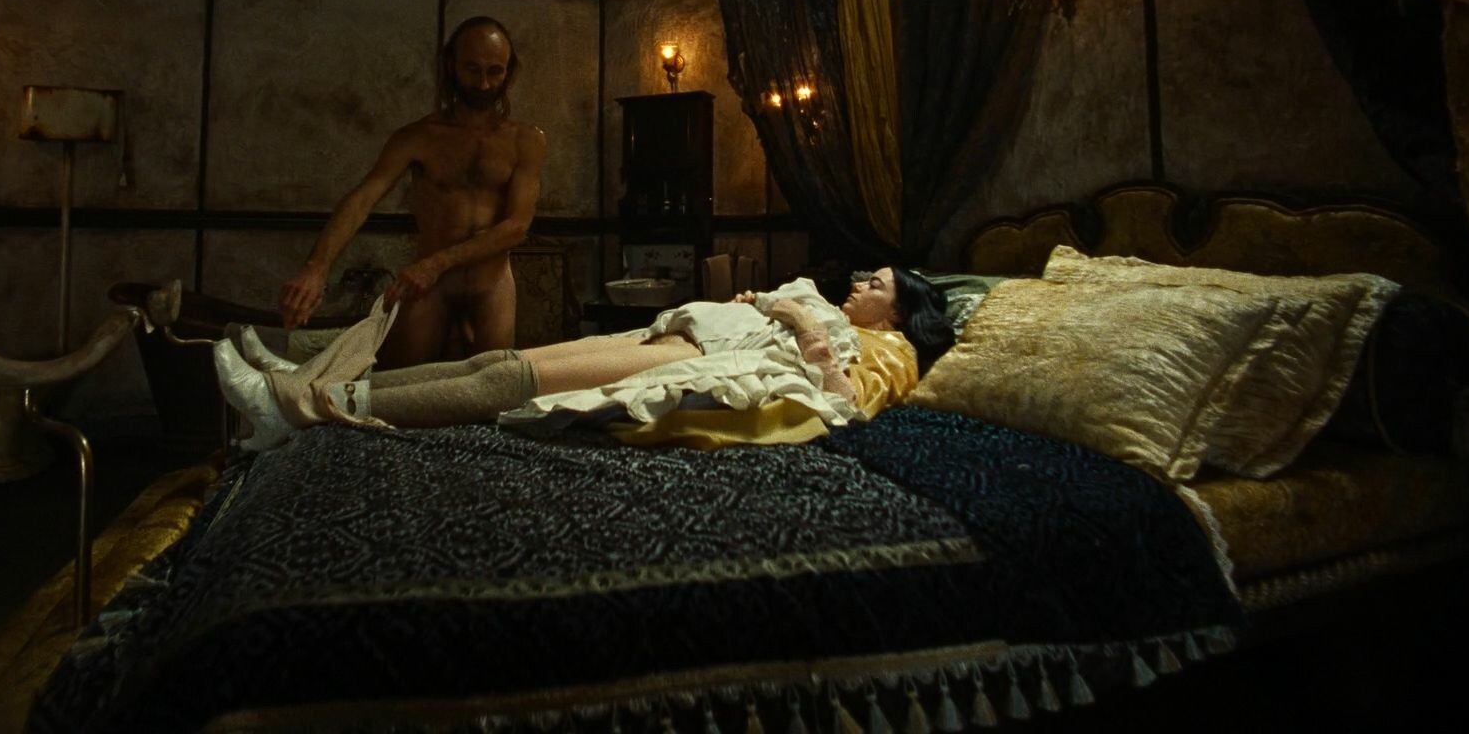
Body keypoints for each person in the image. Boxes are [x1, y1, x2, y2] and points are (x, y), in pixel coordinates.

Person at [221, 267, 951, 437]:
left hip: (693, 360)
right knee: (491, 363)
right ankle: (306, 383)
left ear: (900, 310)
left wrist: (791, 315)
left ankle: (304, 408)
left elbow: (847, 404)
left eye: (877, 283)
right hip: (678, 333)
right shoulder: (844, 309)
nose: (860, 283)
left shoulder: (889, 350)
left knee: (509, 379)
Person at [279, 16, 545, 367]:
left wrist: (437, 263)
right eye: (472, 69)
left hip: (490, 286)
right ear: (450, 65)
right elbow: (361, 200)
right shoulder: (418, 137)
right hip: (431, 288)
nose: (483, 83)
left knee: (493, 384)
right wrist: (315, 270)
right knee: (398, 383)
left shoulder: (526, 140)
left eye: (495, 71)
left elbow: (516, 226)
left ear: (508, 72)